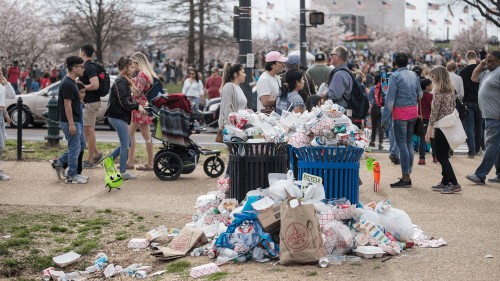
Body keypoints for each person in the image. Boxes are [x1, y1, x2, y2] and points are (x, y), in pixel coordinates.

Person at [382, 52, 422, 188]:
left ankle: (405, 178)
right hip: (413, 112)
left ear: (394, 63)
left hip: (400, 113)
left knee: (402, 146)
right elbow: (420, 94)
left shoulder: (395, 76)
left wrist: (385, 117)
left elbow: (390, 99)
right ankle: (408, 173)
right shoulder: (414, 75)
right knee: (409, 144)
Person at [50, 56, 87, 184]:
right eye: (81, 67)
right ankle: (72, 176)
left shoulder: (72, 82)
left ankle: (59, 162)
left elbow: (71, 101)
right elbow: (67, 104)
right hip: (71, 121)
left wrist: (79, 101)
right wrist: (71, 124)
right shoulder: (67, 83)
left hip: (77, 119)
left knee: (81, 145)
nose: (83, 69)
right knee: (74, 148)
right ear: (74, 68)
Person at [425, 66, 462, 194]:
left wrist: (429, 129)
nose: (431, 78)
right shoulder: (451, 90)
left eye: (432, 76)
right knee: (444, 154)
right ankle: (445, 180)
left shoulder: (438, 92)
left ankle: (454, 182)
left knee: (441, 155)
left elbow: (434, 113)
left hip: (441, 125)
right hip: (449, 124)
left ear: (438, 77)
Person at [466, 50, 500, 184]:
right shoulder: (487, 72)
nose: (488, 63)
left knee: (491, 145)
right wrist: (482, 63)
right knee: (496, 145)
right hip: (489, 114)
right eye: (487, 60)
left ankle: (480, 175)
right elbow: (473, 77)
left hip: (496, 115)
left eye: (491, 61)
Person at [109, 57, 146, 180]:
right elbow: (124, 102)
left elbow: (125, 98)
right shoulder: (121, 81)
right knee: (125, 143)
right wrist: (137, 106)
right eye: (130, 67)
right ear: (124, 68)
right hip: (117, 116)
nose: (133, 69)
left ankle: (108, 160)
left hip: (119, 116)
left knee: (127, 142)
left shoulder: (125, 81)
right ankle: (123, 172)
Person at [126, 52, 156, 171]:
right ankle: (130, 161)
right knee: (131, 134)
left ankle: (149, 163)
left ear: (137, 62)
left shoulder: (142, 75)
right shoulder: (147, 74)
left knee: (145, 135)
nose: (133, 67)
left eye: (133, 65)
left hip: (140, 107)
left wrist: (128, 86)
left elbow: (137, 92)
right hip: (141, 107)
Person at [218, 63, 247, 175]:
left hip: (239, 129)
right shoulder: (229, 87)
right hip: (233, 130)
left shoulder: (238, 88)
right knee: (235, 157)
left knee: (236, 157)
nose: (245, 74)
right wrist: (230, 128)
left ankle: (230, 181)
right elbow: (226, 109)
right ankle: (228, 181)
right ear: (236, 74)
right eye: (243, 72)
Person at [79, 43, 103, 169]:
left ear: (83, 53)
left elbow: (95, 84)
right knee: (86, 131)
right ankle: (97, 154)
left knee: (89, 130)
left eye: (80, 52)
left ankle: (90, 160)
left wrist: (82, 87)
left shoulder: (89, 67)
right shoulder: (89, 66)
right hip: (90, 101)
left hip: (92, 102)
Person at [459, 51, 482, 158]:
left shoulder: (462, 72)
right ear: (476, 58)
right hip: (480, 100)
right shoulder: (482, 69)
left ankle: (471, 150)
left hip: (468, 100)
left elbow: (461, 90)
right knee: (479, 126)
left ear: (466, 58)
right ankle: (478, 148)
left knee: (469, 127)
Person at [0, 70, 16, 180]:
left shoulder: (1, 86)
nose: (1, 74)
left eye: (1, 72)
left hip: (1, 115)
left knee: (1, 144)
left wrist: (6, 83)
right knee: (0, 145)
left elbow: (11, 95)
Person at [418, 78, 436, 165]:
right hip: (431, 119)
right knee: (433, 138)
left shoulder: (419, 96)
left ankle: (422, 158)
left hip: (422, 118)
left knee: (422, 138)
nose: (432, 86)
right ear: (427, 87)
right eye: (431, 85)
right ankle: (435, 156)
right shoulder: (432, 96)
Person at [367, 74, 384, 150]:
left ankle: (372, 142)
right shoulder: (385, 88)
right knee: (381, 127)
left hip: (375, 108)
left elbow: (369, 98)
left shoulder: (373, 88)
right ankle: (380, 143)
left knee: (374, 126)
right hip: (383, 108)